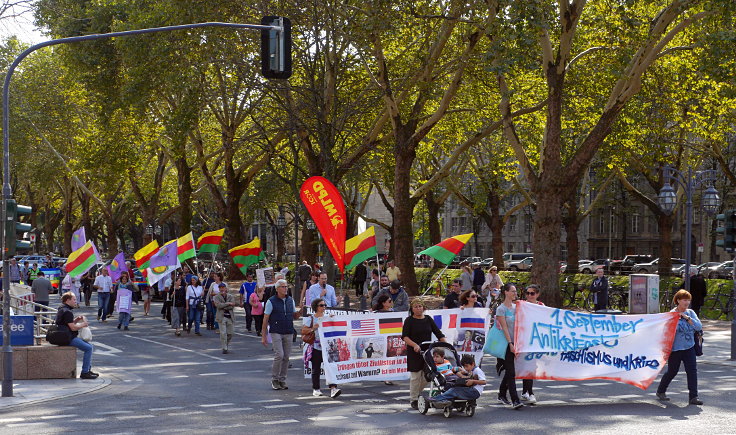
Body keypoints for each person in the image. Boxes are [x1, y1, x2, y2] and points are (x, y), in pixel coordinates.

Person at [656, 289, 703, 405]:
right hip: (676, 349)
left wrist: (687, 318)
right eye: (684, 300)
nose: (687, 302)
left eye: (688, 300)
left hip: (689, 347)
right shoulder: (672, 314)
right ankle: (661, 391)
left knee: (692, 371)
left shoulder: (691, 313)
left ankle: (693, 397)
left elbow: (698, 327)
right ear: (678, 301)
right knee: (672, 371)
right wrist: (677, 319)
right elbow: (669, 331)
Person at [402, 299, 446, 409]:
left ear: (423, 307)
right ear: (412, 309)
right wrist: (414, 345)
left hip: (427, 351)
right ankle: (414, 399)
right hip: (414, 351)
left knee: (428, 376)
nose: (418, 309)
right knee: (415, 377)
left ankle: (417, 393)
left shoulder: (428, 319)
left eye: (420, 306)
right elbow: (405, 337)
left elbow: (438, 333)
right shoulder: (409, 320)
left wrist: (446, 344)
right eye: (416, 307)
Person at [262, 279, 300, 390]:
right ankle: (275, 379)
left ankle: (282, 380)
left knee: (286, 357)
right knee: (280, 355)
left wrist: (300, 312)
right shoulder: (271, 301)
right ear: (277, 289)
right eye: (283, 287)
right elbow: (265, 319)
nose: (285, 289)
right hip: (276, 331)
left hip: (288, 331)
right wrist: (264, 335)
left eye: (286, 286)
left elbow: (294, 316)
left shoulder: (290, 300)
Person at [303, 297, 341, 398]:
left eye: (325, 305)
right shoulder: (311, 318)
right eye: (321, 305)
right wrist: (312, 328)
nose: (324, 307)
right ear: (316, 307)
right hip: (316, 346)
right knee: (316, 369)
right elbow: (303, 331)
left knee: (331, 367)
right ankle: (316, 389)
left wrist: (333, 319)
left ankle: (333, 388)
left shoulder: (328, 317)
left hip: (329, 347)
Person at [55, 292, 97, 379]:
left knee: (89, 346)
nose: (75, 301)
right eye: (74, 300)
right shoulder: (67, 312)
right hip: (66, 338)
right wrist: (83, 324)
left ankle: (87, 369)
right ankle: (85, 372)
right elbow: (73, 328)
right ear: (68, 300)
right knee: (88, 348)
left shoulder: (62, 308)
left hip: (63, 335)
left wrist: (76, 320)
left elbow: (67, 323)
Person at [496, 283, 523, 409]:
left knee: (511, 370)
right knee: (511, 372)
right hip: (507, 343)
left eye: (515, 291)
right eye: (512, 291)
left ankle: (501, 393)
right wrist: (510, 343)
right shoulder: (501, 309)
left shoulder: (516, 307)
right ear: (506, 292)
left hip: (517, 342)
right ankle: (515, 400)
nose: (515, 293)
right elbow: (504, 328)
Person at [520, 284, 544, 404]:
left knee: (530, 366)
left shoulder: (541, 306)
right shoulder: (521, 305)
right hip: (524, 340)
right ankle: (528, 392)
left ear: (537, 294)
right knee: (526, 367)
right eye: (527, 293)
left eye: (532, 293)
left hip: (535, 341)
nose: (529, 295)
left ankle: (527, 391)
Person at [214, 282, 236, 354]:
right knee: (223, 333)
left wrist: (226, 305)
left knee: (230, 333)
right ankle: (224, 348)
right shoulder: (216, 297)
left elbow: (232, 305)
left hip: (229, 316)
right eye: (220, 288)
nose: (222, 289)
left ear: (226, 288)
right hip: (221, 316)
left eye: (223, 287)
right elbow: (218, 306)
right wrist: (227, 303)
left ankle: (226, 344)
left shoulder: (230, 296)